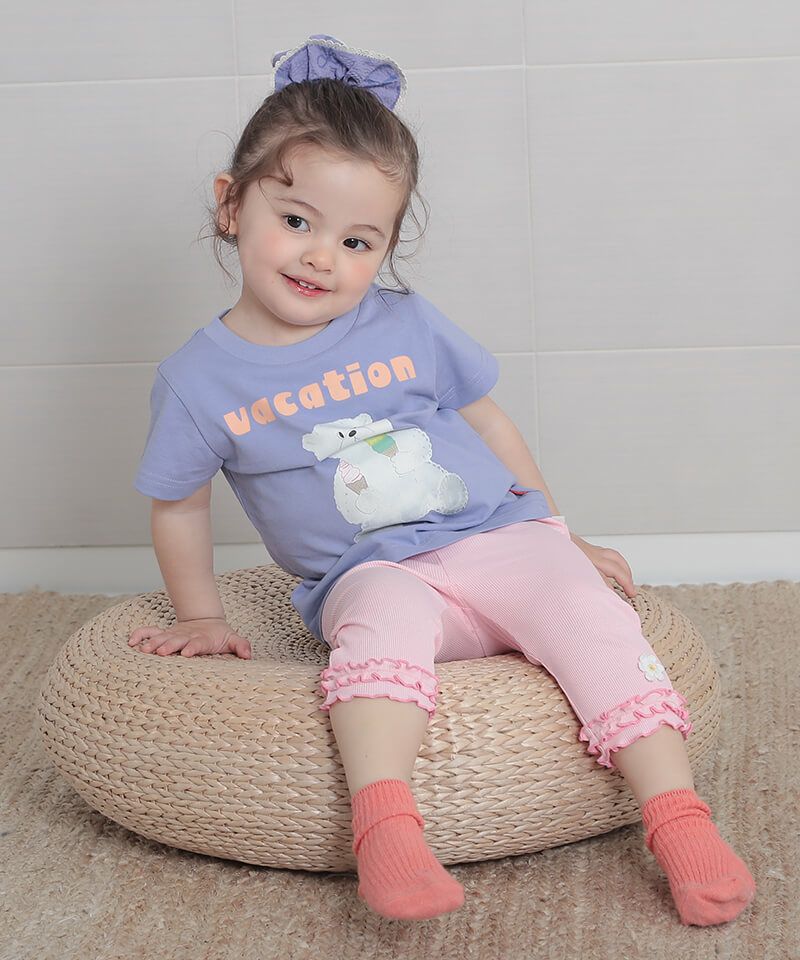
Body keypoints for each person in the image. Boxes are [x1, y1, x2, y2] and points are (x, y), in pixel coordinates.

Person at [129, 34, 756, 925]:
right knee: (377, 637)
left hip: (496, 536)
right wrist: (200, 616)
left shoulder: (407, 324)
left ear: (387, 247)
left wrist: (558, 531)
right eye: (296, 221)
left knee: (591, 617)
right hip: (370, 571)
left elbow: (489, 422)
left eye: (357, 240)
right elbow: (179, 504)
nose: (320, 256)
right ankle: (386, 826)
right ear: (232, 205)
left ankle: (677, 817)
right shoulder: (200, 381)